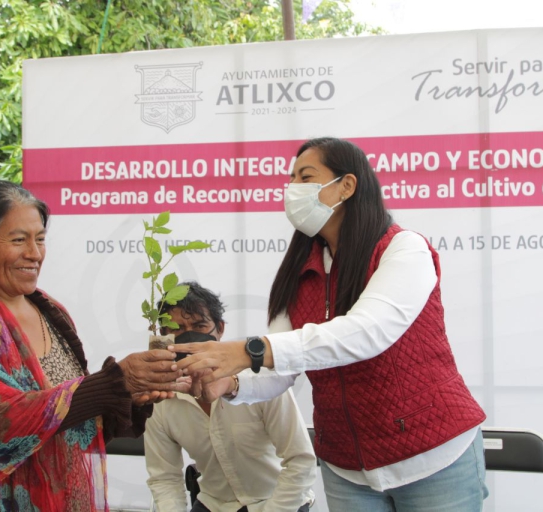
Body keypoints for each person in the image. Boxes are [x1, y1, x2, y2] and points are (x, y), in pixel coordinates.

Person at [173, 138, 489, 511]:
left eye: (306, 177)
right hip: (347, 469)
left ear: (347, 185)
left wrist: (248, 350)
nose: (293, 189)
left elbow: (367, 332)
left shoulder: (403, 249)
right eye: (291, 179)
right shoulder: (300, 271)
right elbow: (282, 368)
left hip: (433, 458)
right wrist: (232, 383)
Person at [0, 180, 189, 512]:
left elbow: (71, 418)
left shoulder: (51, 311)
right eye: (18, 240)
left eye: (40, 239)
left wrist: (130, 396)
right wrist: (113, 382)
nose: (34, 253)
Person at [144, 282, 316, 512]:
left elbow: (300, 461)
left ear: (220, 329)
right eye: (177, 328)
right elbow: (164, 479)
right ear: (164, 336)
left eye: (199, 326)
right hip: (214, 504)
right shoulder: (161, 397)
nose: (189, 337)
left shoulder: (261, 380)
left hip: (279, 501)